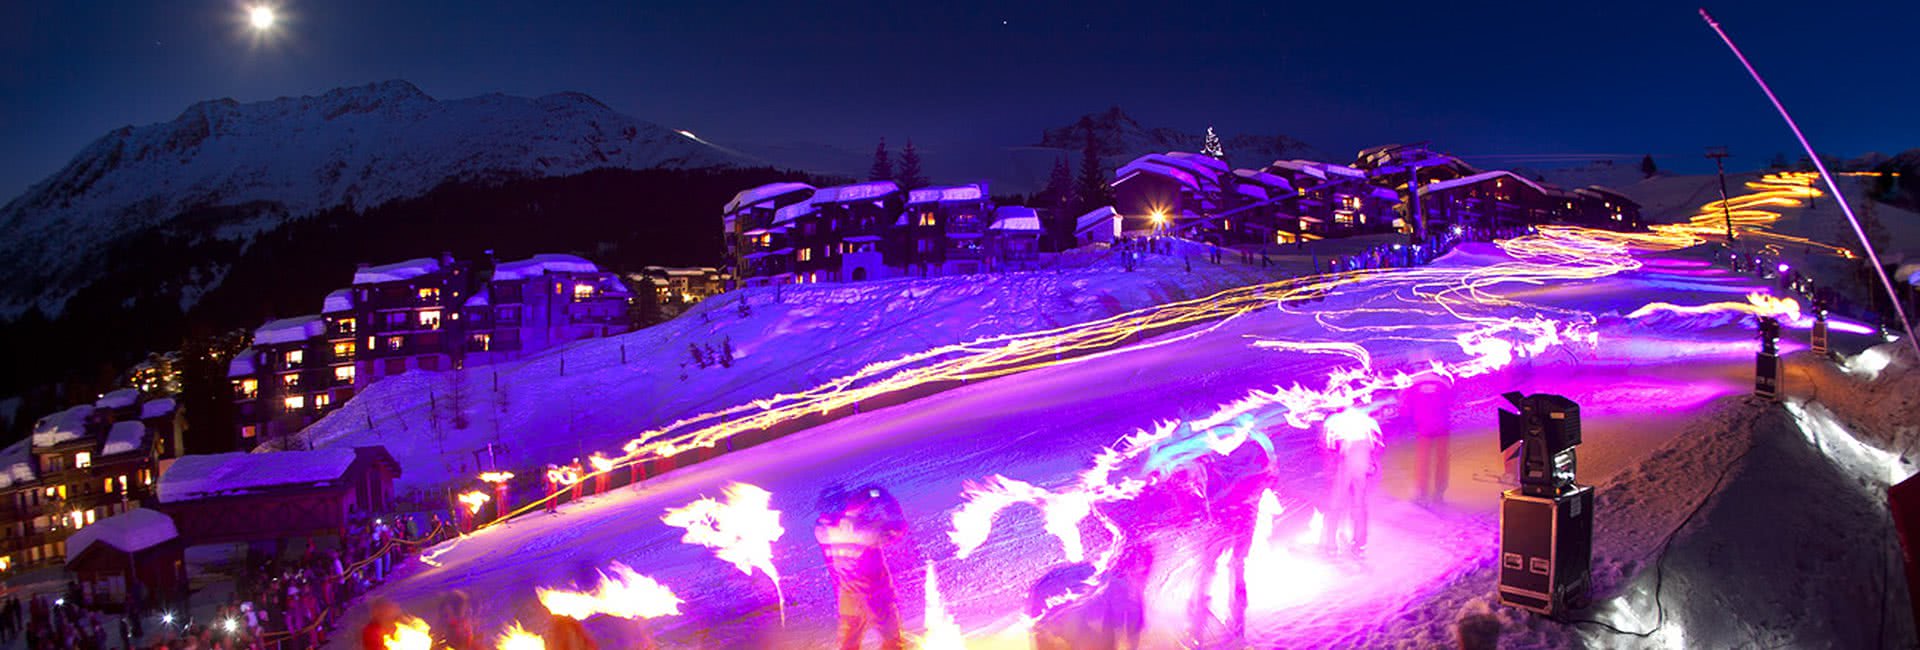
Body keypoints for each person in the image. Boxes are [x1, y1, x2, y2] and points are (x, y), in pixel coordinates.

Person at [1188, 414, 1276, 640]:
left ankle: (1200, 616)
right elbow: (1270, 478)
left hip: (1222, 514)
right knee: (1237, 564)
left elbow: (1198, 481)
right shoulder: (1257, 446)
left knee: (1210, 562)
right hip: (1245, 513)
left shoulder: (1210, 448)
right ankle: (1237, 627)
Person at [815, 485, 909, 650]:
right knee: (893, 643)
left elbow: (841, 520)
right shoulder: (862, 531)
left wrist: (857, 506)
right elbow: (899, 527)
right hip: (875, 598)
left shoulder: (823, 531)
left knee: (848, 644)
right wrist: (884, 499)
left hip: (848, 599)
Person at [1322, 407, 1383, 557]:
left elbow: (1328, 447)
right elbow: (1377, 444)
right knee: (1359, 503)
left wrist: (1330, 467)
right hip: (1362, 459)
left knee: (1335, 503)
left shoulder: (1334, 421)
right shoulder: (1368, 421)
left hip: (1345, 460)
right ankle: (1359, 545)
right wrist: (1371, 462)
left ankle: (1330, 545)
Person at [1405, 370, 1457, 504]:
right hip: (1442, 425)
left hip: (1423, 427)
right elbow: (1452, 402)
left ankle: (1422, 492)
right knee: (1441, 460)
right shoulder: (1443, 384)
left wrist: (1413, 422)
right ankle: (1439, 494)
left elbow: (1406, 407)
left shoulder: (1413, 385)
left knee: (1423, 460)